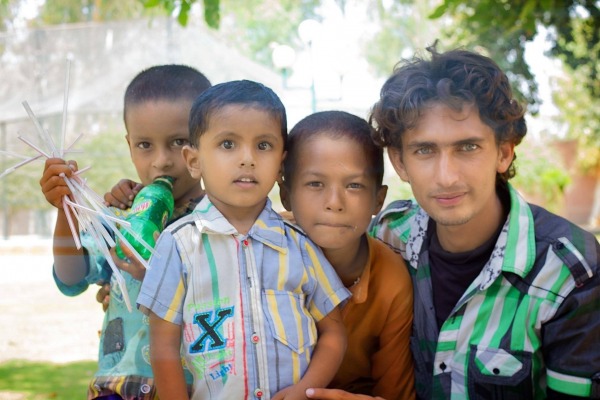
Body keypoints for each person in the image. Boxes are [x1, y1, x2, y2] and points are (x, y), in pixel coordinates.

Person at [308, 46, 600, 400]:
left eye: (467, 148)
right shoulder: (388, 235)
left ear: (504, 153)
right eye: (425, 151)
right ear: (400, 162)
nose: (446, 177)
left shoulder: (567, 270)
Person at [136, 80, 350, 400]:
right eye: (228, 144)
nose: (247, 159)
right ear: (194, 161)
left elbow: (334, 332)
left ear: (281, 163)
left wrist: (304, 391)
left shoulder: (300, 246)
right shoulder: (179, 246)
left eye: (263, 145)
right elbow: (163, 345)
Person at [39, 64, 212, 399]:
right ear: (129, 145)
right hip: (117, 388)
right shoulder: (119, 217)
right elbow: (71, 276)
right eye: (145, 145)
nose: (161, 161)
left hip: (194, 389)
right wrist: (68, 211)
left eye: (178, 142)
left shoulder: (221, 221)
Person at [279, 110, 415, 399]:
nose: (334, 203)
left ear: (378, 199)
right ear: (285, 194)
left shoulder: (391, 281)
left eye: (354, 185)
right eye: (315, 184)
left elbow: (394, 393)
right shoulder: (259, 251)